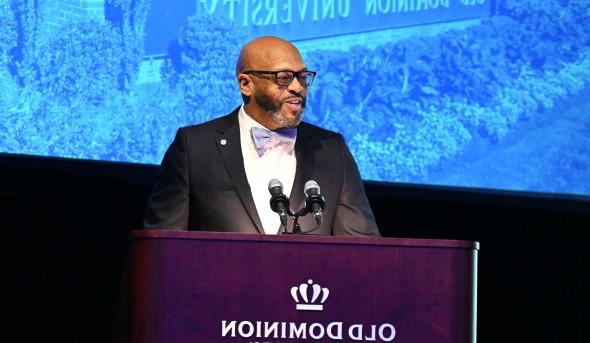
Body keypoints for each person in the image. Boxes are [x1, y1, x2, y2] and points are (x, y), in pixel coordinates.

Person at [143, 36, 380, 236]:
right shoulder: (195, 147)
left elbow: (361, 248)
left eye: (303, 77)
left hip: (307, 290)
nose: (298, 87)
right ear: (246, 83)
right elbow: (162, 246)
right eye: (284, 78)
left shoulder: (331, 149)